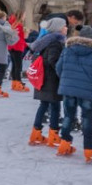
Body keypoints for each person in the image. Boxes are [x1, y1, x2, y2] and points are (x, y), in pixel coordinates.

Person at [55, 26, 92, 161]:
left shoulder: (68, 49)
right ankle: (89, 149)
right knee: (87, 118)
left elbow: (58, 67)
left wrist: (65, 80)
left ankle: (64, 144)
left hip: (68, 89)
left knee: (68, 116)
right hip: (86, 90)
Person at [28, 17, 67, 147]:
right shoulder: (56, 42)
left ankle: (36, 133)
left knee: (44, 105)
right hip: (51, 80)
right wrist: (62, 74)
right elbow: (53, 61)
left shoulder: (46, 40)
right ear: (58, 28)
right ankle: (53, 135)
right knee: (55, 106)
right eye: (64, 26)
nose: (66, 28)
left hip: (44, 78)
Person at [7, 13, 28, 92]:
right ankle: (18, 84)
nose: (25, 17)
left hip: (11, 47)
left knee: (14, 65)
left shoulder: (12, 24)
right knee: (18, 66)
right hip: (17, 47)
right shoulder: (19, 25)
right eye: (24, 15)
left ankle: (14, 83)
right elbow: (21, 37)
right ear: (21, 16)